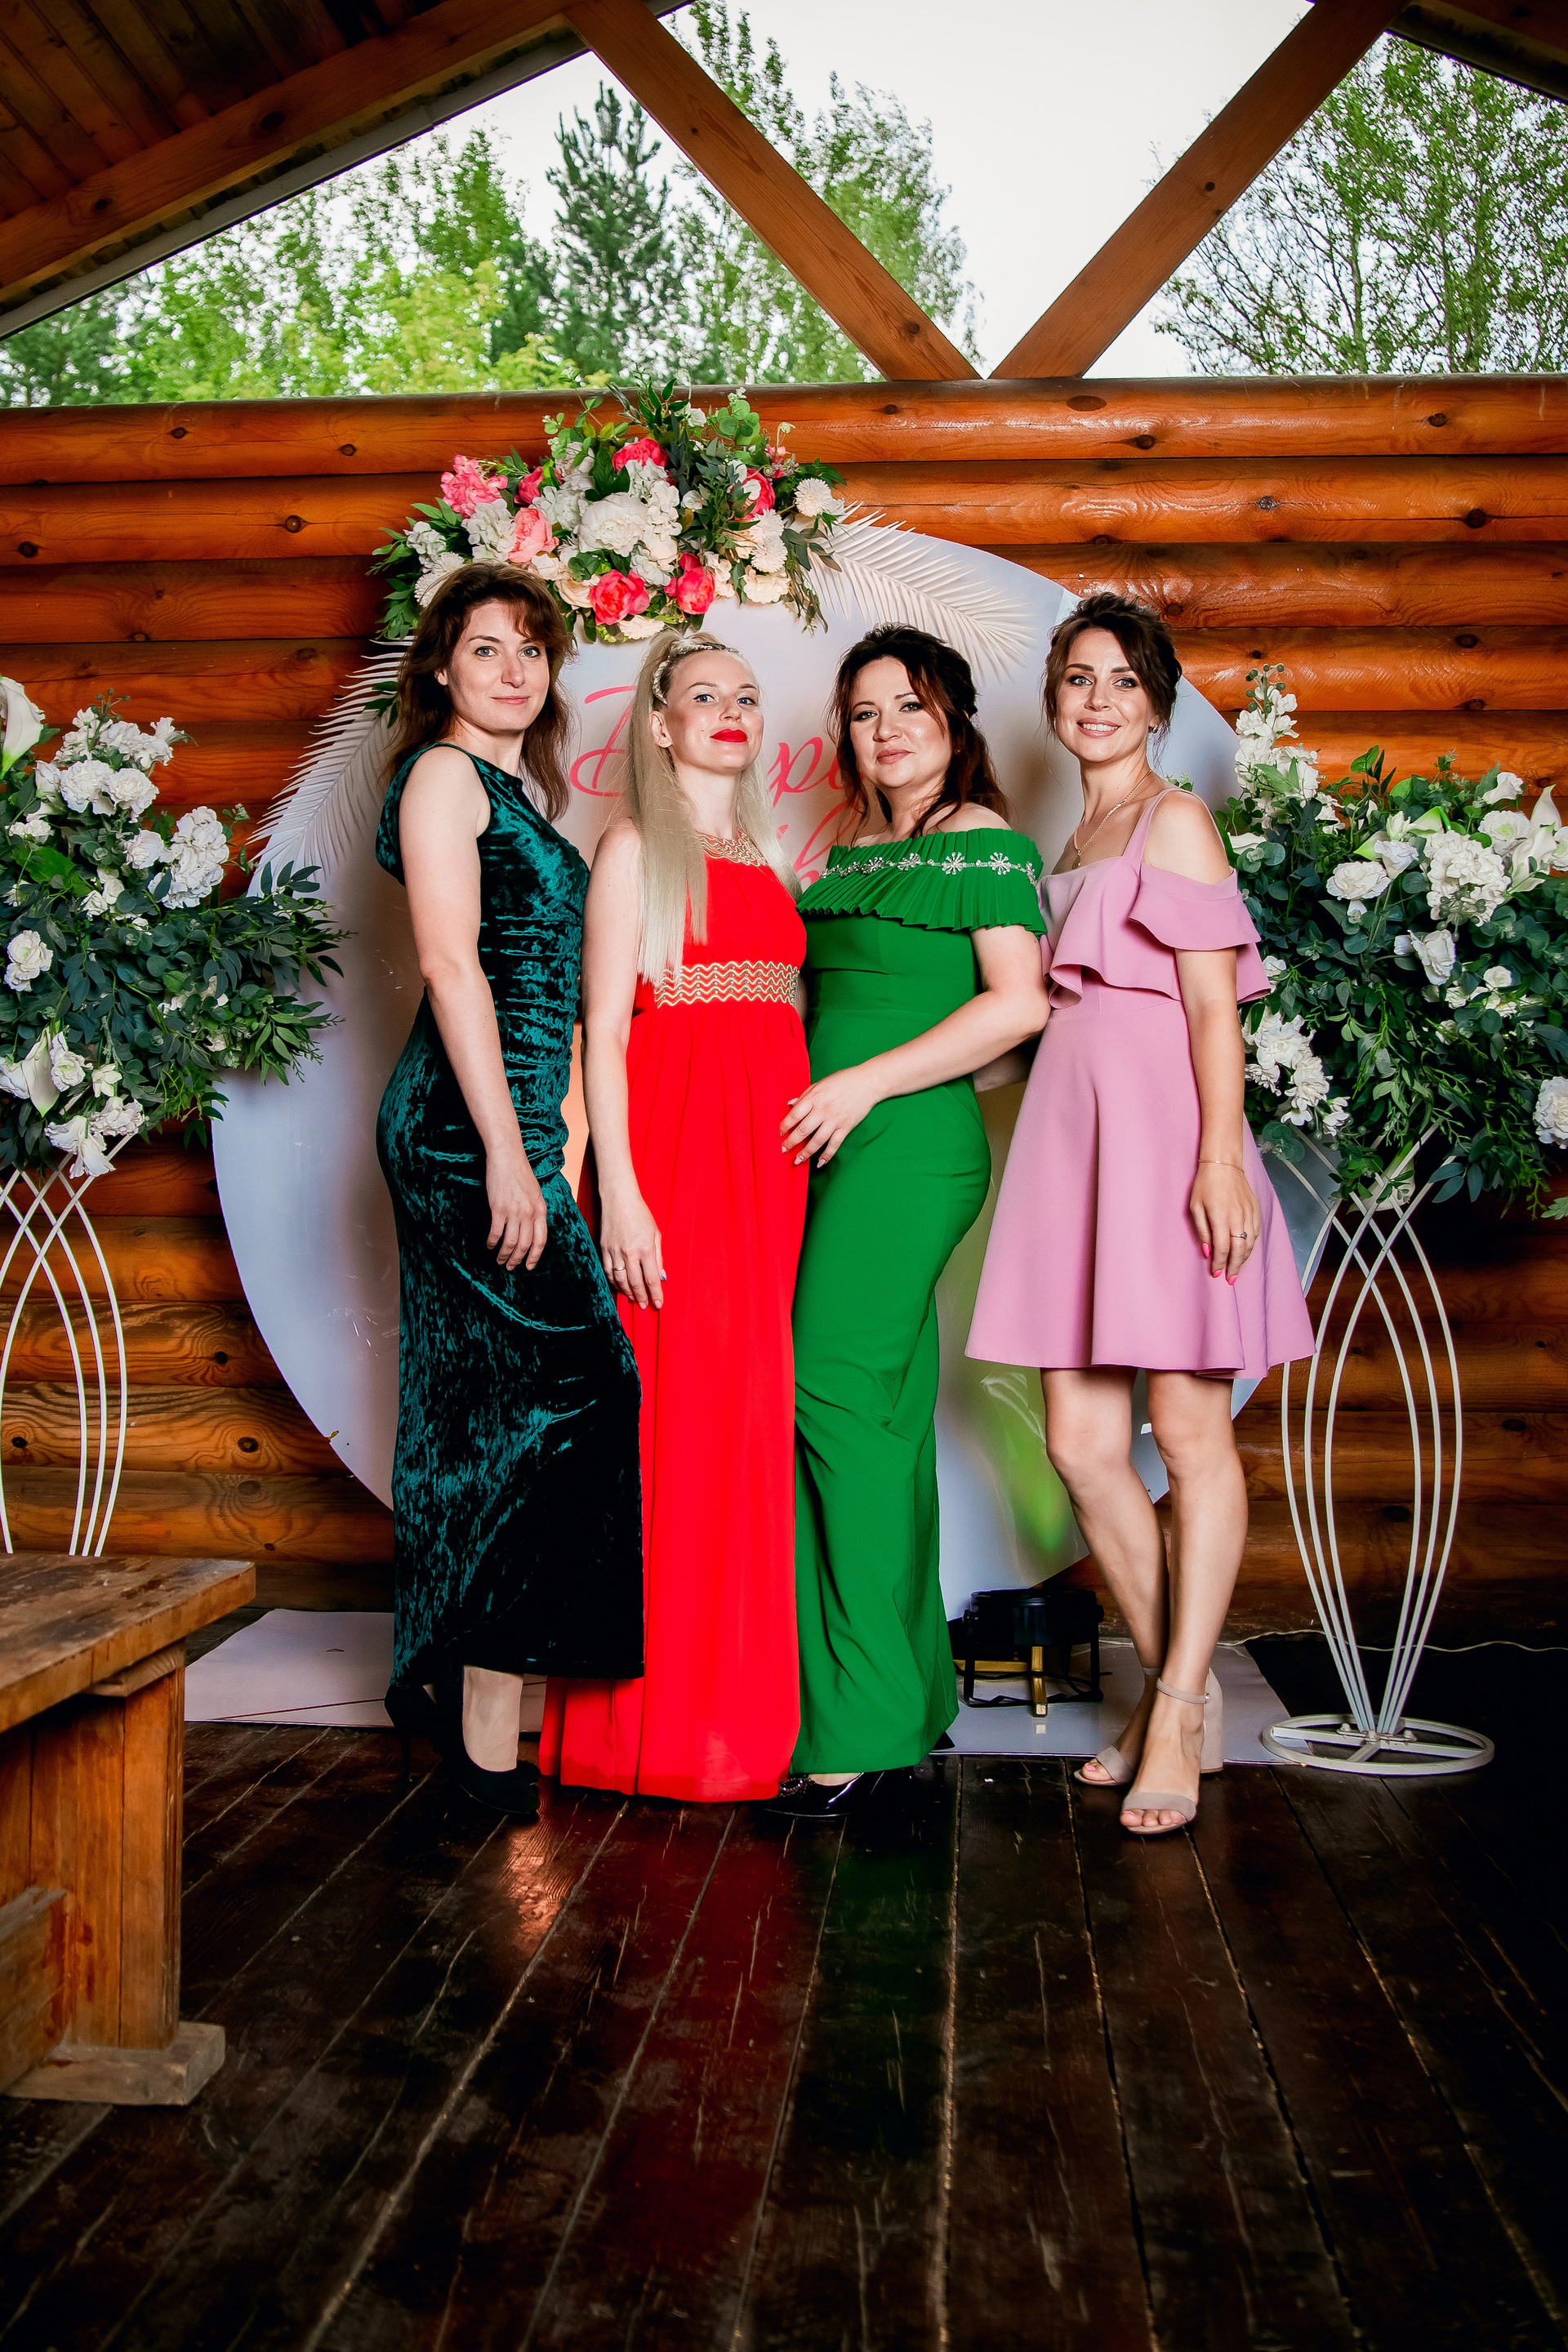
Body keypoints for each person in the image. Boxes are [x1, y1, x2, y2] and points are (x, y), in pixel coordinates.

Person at [969, 592, 1315, 1837]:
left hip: (1170, 1154)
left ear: (1158, 705)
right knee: (1080, 1445)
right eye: (1078, 677)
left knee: (1191, 1433)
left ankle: (1169, 1713)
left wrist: (1220, 1162)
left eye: (1122, 679)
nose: (1098, 698)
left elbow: (1216, 1012)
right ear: (1054, 699)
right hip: (1074, 1162)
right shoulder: (1068, 839)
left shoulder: (1175, 822)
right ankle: (1186, 1693)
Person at [768, 626, 1051, 1820]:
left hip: (903, 1147)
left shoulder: (983, 839)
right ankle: (904, 1691)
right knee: (874, 1412)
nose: (886, 731)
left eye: (911, 708)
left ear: (955, 722)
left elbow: (1019, 1007)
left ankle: (864, 1726)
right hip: (827, 1146)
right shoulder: (848, 847)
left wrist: (867, 1086)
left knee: (830, 1391)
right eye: (864, 711)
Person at [376, 563, 643, 1817]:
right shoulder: (442, 775)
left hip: (516, 1128)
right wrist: (504, 1150)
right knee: (578, 1383)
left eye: (532, 649)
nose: (514, 670)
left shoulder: (515, 793)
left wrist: (560, 1139)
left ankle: (473, 1729)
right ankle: (472, 1728)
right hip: (460, 1129)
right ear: (441, 666)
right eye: (486, 648)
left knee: (498, 1414)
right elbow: (450, 965)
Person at [539, 632, 809, 1802]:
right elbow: (603, 1033)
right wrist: (624, 1199)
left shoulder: (767, 853)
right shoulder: (633, 848)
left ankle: (739, 1723)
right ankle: (643, 1735)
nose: (731, 710)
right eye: (705, 695)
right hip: (677, 1157)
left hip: (769, 1168)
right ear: (659, 723)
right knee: (673, 1427)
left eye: (746, 695)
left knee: (745, 1422)